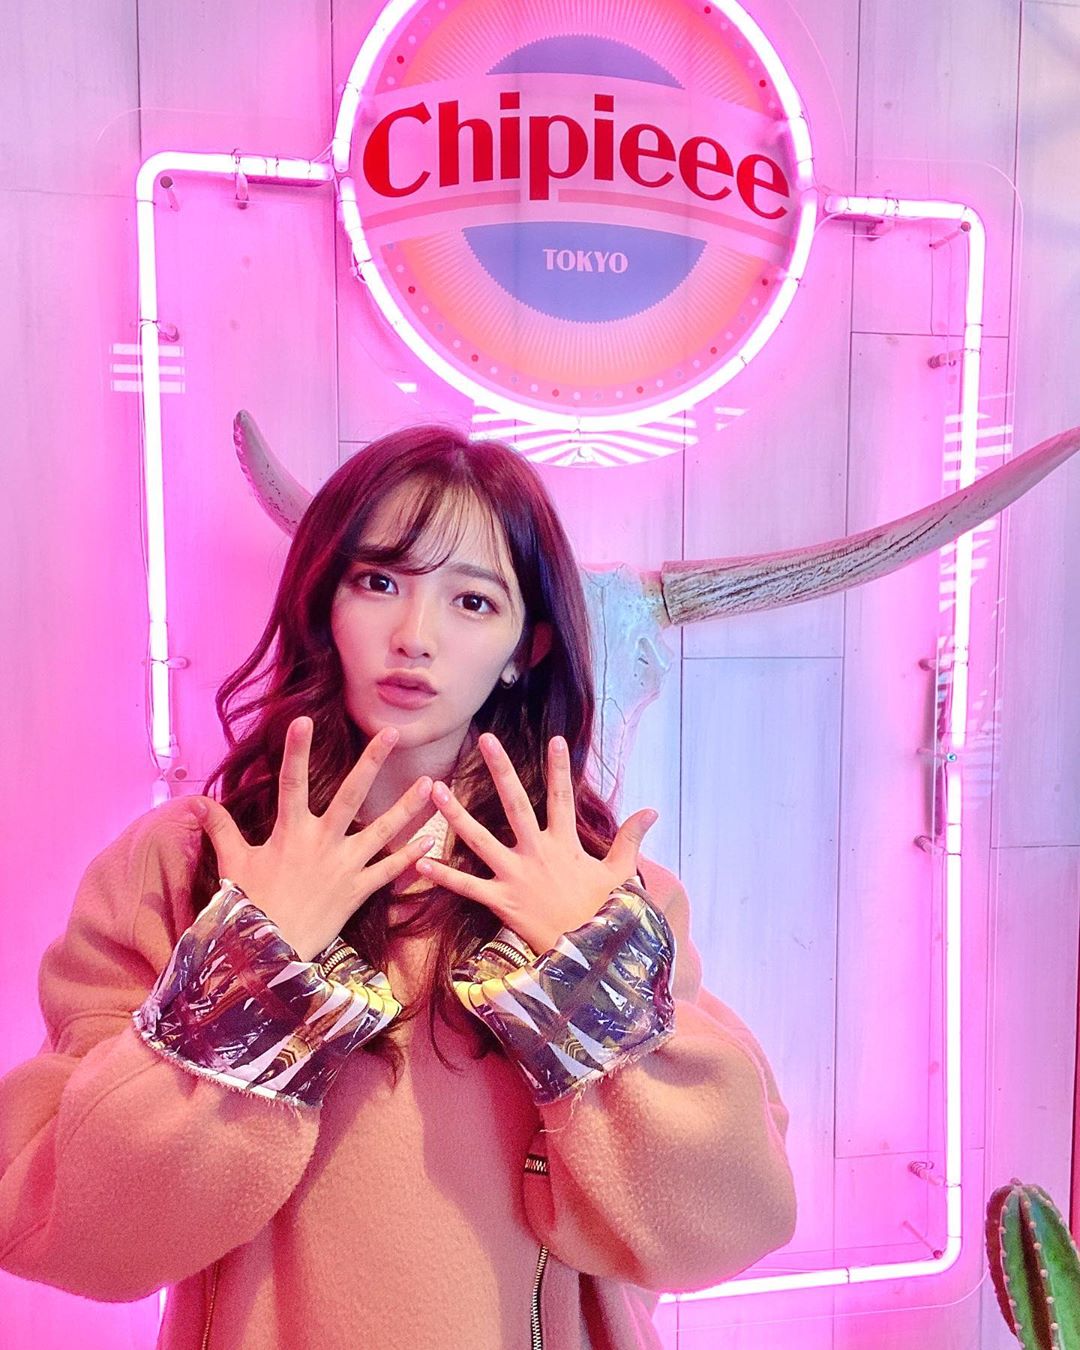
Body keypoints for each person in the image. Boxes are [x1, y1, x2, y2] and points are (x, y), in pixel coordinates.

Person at [0, 425, 796, 1349]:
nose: (415, 637)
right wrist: (252, 967)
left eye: (473, 601)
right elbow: (69, 1231)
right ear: (324, 605)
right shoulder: (187, 864)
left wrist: (588, 975)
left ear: (525, 647)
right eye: (379, 582)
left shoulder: (606, 884)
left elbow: (727, 1224)